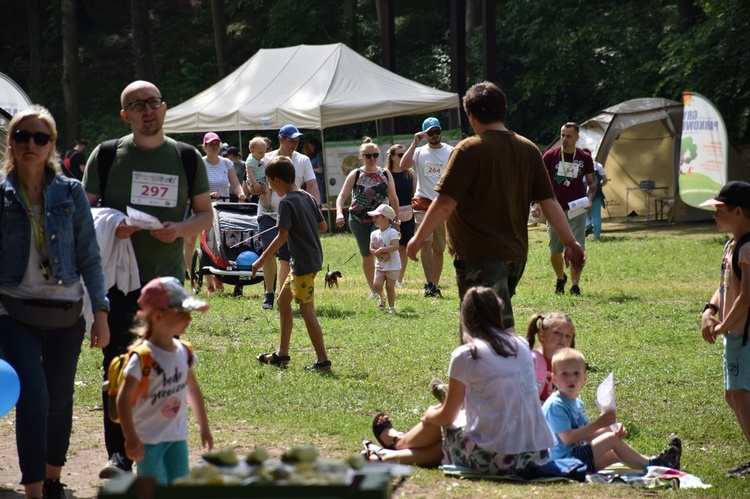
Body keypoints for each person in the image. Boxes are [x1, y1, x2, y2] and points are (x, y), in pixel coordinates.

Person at [83, 80, 213, 478]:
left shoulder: (187, 157)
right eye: (137, 105)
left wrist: (180, 229)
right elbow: (83, 218)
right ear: (126, 115)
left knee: (163, 369)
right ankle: (119, 456)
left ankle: (159, 446)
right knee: (118, 366)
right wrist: (113, 224)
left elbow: (205, 214)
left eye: (153, 102)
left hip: (165, 283)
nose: (147, 110)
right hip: (117, 281)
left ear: (165, 107)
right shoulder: (106, 156)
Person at [406, 82, 585, 330]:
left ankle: (510, 365)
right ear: (503, 110)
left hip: (479, 255)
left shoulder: (469, 149)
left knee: (486, 328)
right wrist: (570, 242)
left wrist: (418, 239)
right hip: (515, 254)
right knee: (490, 318)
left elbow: (446, 202)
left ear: (471, 114)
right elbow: (549, 200)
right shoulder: (528, 148)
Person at [0, 106, 110, 499]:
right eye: (22, 136)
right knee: (35, 399)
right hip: (14, 312)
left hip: (67, 312)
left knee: (60, 400)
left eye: (40, 137)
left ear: (52, 145)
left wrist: (100, 312)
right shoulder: (2, 193)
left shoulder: (71, 191)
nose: (31, 144)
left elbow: (89, 255)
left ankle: (52, 479)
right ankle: (32, 491)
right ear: (11, 142)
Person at [364, 287, 555, 476]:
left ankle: (396, 445)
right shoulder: (520, 344)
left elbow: (447, 417)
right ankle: (389, 451)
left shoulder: (467, 354)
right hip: (535, 456)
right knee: (458, 422)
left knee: (442, 421)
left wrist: (430, 415)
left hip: (499, 461)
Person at [117, 276, 213, 485]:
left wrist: (204, 427)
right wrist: (130, 437)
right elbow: (122, 400)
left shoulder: (184, 352)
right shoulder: (143, 357)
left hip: (177, 438)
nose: (188, 318)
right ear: (158, 316)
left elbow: (193, 391)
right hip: (148, 442)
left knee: (179, 487)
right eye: (181, 313)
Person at [542, 348, 681, 472]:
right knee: (611, 441)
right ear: (553, 379)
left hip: (575, 458)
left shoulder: (577, 403)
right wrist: (599, 424)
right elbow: (568, 439)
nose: (571, 378)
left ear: (584, 378)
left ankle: (660, 463)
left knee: (616, 453)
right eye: (564, 374)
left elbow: (587, 435)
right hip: (561, 462)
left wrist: (610, 429)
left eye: (576, 374)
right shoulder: (556, 405)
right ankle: (655, 463)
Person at [251, 156, 330, 371]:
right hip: (308, 260)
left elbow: (281, 237)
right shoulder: (307, 197)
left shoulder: (285, 202)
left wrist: (260, 260)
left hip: (303, 264)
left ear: (276, 181)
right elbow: (323, 227)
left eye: (269, 182)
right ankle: (282, 354)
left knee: (307, 311)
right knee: (282, 302)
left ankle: (323, 361)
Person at [698, 181, 750, 477]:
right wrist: (710, 310)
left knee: (739, 393)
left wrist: (723, 327)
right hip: (734, 332)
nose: (714, 215)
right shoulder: (731, 244)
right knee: (733, 395)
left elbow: (746, 296)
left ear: (739, 211)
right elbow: (725, 286)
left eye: (719, 210)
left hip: (743, 335)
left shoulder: (747, 247)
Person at [250, 125, 320, 311]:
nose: (295, 144)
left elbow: (312, 186)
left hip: (291, 214)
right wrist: (255, 188)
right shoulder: (265, 159)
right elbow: (252, 185)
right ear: (281, 139)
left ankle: (282, 297)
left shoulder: (303, 160)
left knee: (285, 258)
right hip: (268, 213)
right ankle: (269, 293)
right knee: (270, 252)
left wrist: (315, 208)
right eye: (291, 141)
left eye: (297, 141)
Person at [335, 138, 399, 298]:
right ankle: (374, 289)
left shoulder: (385, 173)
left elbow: (393, 198)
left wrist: (396, 220)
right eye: (368, 155)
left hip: (381, 220)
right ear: (362, 156)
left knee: (380, 250)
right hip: (358, 220)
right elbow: (342, 196)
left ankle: (384, 284)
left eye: (375, 155)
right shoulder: (356, 174)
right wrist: (338, 212)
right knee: (366, 254)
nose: (372, 158)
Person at [185, 132, 245, 295]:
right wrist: (208, 195)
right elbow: (192, 187)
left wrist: (240, 194)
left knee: (218, 244)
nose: (214, 146)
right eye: (210, 143)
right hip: (202, 207)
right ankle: (202, 280)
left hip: (222, 210)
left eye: (216, 143)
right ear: (204, 147)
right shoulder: (199, 163)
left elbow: (236, 184)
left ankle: (218, 278)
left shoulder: (226, 163)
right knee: (194, 242)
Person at [401, 117, 453, 297]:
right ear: (424, 134)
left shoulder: (450, 151)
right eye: (430, 133)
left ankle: (435, 286)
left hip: (443, 204)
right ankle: (429, 283)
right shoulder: (419, 151)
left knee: (439, 248)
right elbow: (403, 165)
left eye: (437, 131)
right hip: (423, 203)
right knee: (426, 242)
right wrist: (414, 144)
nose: (435, 135)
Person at [543, 123, 597, 295]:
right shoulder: (550, 156)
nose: (564, 139)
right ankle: (560, 278)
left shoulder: (584, 158)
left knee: (577, 248)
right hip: (554, 210)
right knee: (554, 251)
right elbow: (541, 183)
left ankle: (575, 285)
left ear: (576, 138)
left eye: (568, 136)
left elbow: (592, 184)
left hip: (577, 209)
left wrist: (589, 198)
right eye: (562, 135)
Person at [526, 312, 575, 402]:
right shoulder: (532, 362)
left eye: (567, 336)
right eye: (557, 333)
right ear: (541, 335)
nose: (563, 339)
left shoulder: (568, 366)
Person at [385, 143, 416, 287]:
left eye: (405, 154)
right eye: (400, 155)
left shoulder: (410, 173)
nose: (404, 157)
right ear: (391, 157)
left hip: (408, 214)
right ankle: (387, 277)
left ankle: (399, 279)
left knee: (404, 247)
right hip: (390, 215)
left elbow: (414, 195)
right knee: (391, 246)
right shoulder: (385, 174)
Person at [368, 204, 401, 314]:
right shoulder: (374, 233)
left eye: (377, 217)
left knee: (390, 286)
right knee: (377, 284)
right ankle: (382, 297)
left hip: (392, 265)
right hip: (380, 265)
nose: (374, 219)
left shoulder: (392, 232)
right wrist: (380, 255)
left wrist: (382, 250)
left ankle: (391, 307)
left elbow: (395, 246)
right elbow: (372, 248)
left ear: (386, 219)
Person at [584, 148, 608, 240]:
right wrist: (600, 185)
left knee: (582, 213)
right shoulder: (598, 166)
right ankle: (596, 236)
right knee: (596, 215)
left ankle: (588, 225)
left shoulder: (581, 166)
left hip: (585, 193)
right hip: (597, 193)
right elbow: (605, 180)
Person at [244, 136, 271, 210]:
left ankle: (265, 206)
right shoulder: (251, 160)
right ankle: (267, 207)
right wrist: (255, 183)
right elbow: (250, 173)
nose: (263, 155)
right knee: (267, 191)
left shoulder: (256, 157)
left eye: (264, 152)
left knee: (266, 192)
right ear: (252, 151)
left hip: (260, 180)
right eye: (260, 153)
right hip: (256, 181)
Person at [305, 137, 327, 205]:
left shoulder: (319, 155)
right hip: (316, 182)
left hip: (320, 182)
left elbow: (320, 170)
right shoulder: (314, 156)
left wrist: (309, 170)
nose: (310, 148)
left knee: (320, 201)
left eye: (311, 146)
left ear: (315, 146)